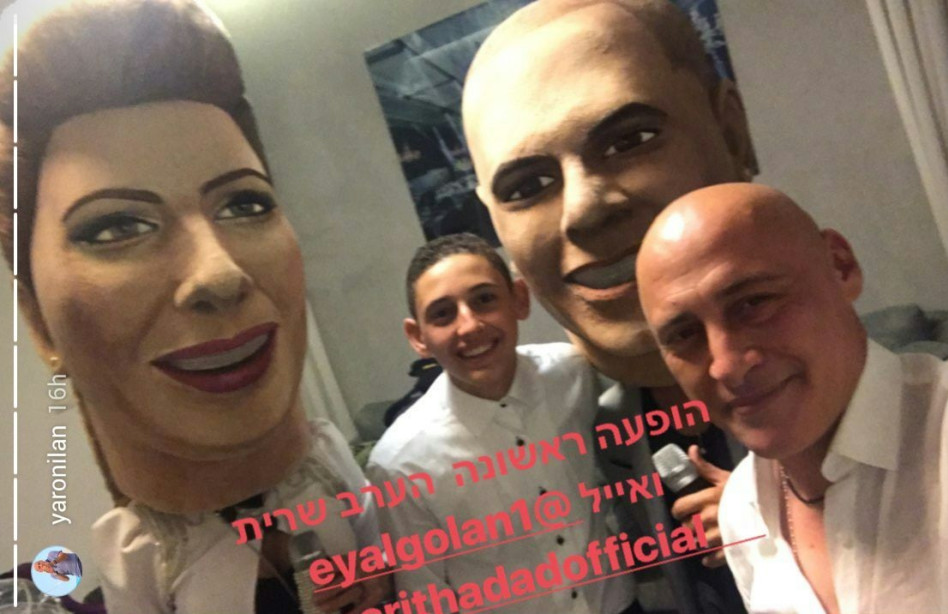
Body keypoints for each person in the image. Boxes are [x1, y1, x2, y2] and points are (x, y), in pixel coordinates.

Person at [0, 1, 386, 612]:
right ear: (39, 322)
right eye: (116, 227)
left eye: (245, 204)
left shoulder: (329, 470)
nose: (220, 274)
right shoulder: (142, 553)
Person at [461, 0, 751, 611]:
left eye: (630, 140)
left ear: (731, 132)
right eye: (527, 186)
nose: (584, 210)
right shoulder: (584, 430)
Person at [636, 182, 948, 614]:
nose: (726, 366)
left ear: (840, 267)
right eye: (684, 334)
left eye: (753, 302)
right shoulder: (741, 508)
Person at [367, 233, 637, 614]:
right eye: (443, 313)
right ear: (418, 337)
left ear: (519, 299)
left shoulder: (575, 373)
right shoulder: (400, 463)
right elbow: (425, 599)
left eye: (484, 299)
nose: (469, 325)